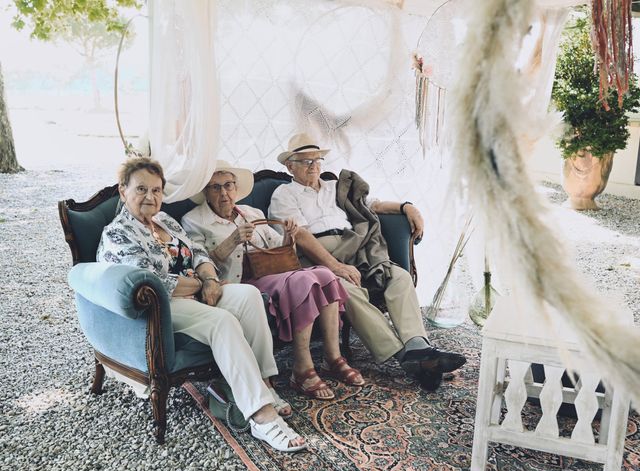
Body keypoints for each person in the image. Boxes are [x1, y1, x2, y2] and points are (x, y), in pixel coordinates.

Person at [96, 157, 305, 453]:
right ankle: (261, 416)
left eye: (156, 190)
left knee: (247, 296)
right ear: (123, 191)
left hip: (197, 290)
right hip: (161, 307)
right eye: (141, 189)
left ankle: (265, 384)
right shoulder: (119, 233)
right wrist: (203, 285)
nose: (150, 197)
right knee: (222, 322)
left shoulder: (165, 220)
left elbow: (198, 253)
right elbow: (156, 281)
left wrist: (209, 278)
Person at [269, 133, 467, 390]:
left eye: (317, 160)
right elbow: (302, 236)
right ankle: (404, 357)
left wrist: (408, 207)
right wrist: (336, 266)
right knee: (344, 289)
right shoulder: (284, 193)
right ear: (290, 166)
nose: (313, 166)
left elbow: (372, 205)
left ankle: (418, 346)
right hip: (317, 258)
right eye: (305, 161)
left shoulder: (335, 187)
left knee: (398, 277)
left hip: (356, 247)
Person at [182, 161, 364, 401]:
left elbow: (278, 251)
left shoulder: (251, 213)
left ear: (236, 188)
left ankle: (333, 357)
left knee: (325, 274)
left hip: (271, 274)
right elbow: (199, 262)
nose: (224, 193)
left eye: (228, 185)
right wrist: (232, 241)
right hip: (238, 283)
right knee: (304, 281)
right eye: (215, 188)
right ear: (205, 192)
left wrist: (289, 236)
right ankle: (301, 368)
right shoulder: (194, 221)